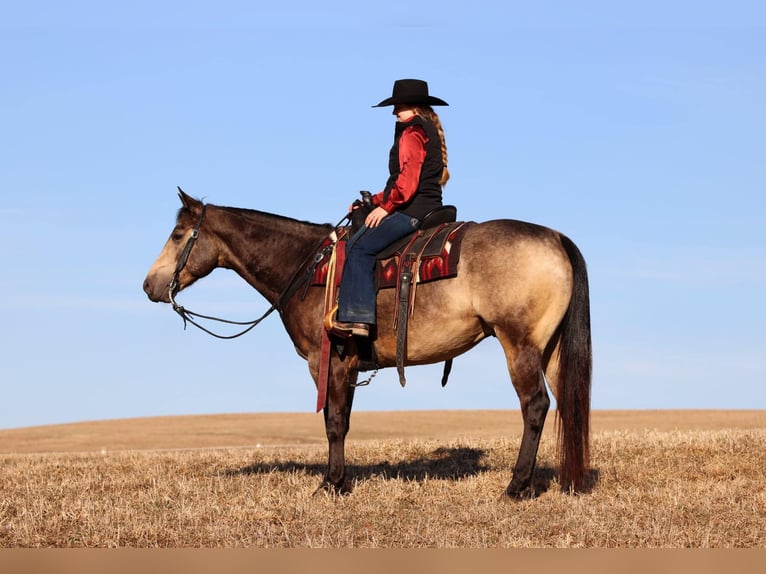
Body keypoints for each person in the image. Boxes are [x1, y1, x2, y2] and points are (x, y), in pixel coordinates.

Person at [332, 78, 450, 338]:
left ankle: (357, 318)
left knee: (358, 247)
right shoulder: (426, 129)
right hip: (427, 206)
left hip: (412, 211)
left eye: (399, 106)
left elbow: (406, 184)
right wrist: (372, 201)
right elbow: (402, 182)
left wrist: (384, 208)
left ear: (414, 107)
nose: (394, 111)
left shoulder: (411, 133)